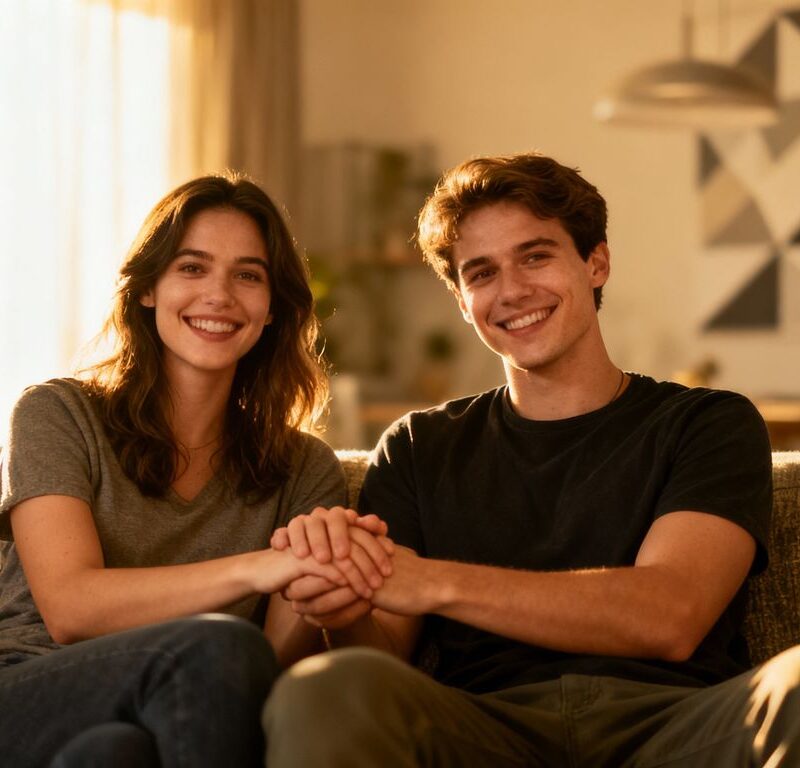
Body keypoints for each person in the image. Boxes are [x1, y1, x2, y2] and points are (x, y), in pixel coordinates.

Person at [262, 153, 799, 767]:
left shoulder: (708, 422)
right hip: (486, 730)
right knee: (325, 690)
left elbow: (670, 615)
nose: (512, 291)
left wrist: (435, 580)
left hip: (676, 727)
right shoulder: (418, 445)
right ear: (463, 302)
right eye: (481, 273)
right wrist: (345, 605)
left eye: (536, 256)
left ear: (595, 263)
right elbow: (382, 660)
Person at [0, 173, 391, 768]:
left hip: (181, 715)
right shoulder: (58, 413)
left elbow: (268, 663)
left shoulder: (303, 469)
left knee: (113, 755)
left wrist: (323, 581)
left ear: (272, 309)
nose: (220, 295)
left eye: (248, 275)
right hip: (29, 687)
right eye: (192, 267)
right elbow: (71, 609)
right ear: (148, 289)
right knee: (215, 647)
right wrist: (264, 566)